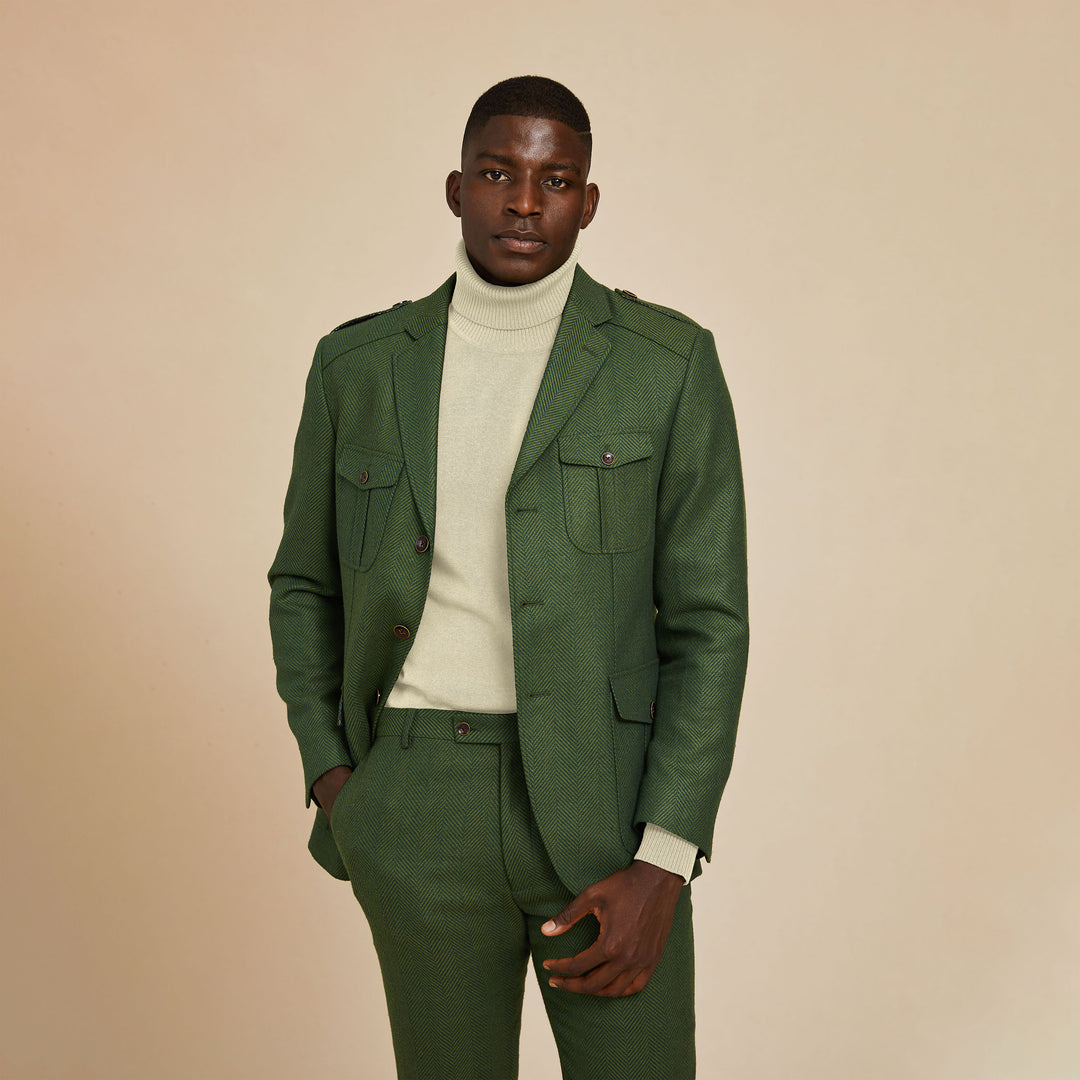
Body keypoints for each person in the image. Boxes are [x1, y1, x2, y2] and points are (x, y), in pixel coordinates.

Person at [268, 75, 748, 1080]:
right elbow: (305, 584)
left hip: (606, 815)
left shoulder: (667, 364)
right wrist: (338, 779)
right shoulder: (357, 366)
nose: (525, 201)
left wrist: (663, 858)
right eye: (498, 173)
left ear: (588, 200)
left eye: (555, 179)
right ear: (455, 188)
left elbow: (707, 623)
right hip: (413, 802)